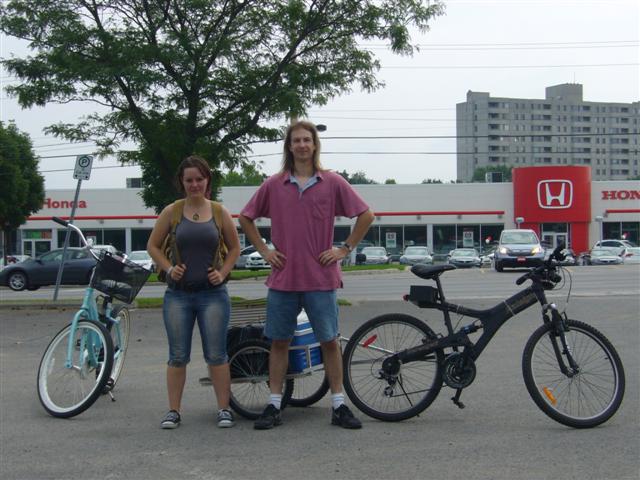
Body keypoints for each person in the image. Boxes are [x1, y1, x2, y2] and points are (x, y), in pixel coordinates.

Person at [239, 120, 375, 430]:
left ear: (314, 145)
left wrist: (344, 248)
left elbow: (366, 215)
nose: (302, 145)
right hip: (284, 279)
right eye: (296, 140)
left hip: (320, 279)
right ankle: (274, 405)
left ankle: (338, 405)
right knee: (279, 343)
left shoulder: (332, 182)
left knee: (329, 341)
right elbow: (246, 218)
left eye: (307, 140)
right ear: (289, 146)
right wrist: (264, 250)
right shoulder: (274, 184)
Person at [147, 155, 240, 429]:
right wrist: (168, 268)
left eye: (200, 179)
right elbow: (153, 245)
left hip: (213, 295)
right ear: (182, 182)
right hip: (178, 295)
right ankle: (173, 411)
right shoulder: (172, 212)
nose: (195, 184)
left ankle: (224, 409)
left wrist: (222, 273)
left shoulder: (219, 212)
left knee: (217, 354)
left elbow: (235, 248)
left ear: (207, 180)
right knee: (177, 355)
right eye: (189, 180)